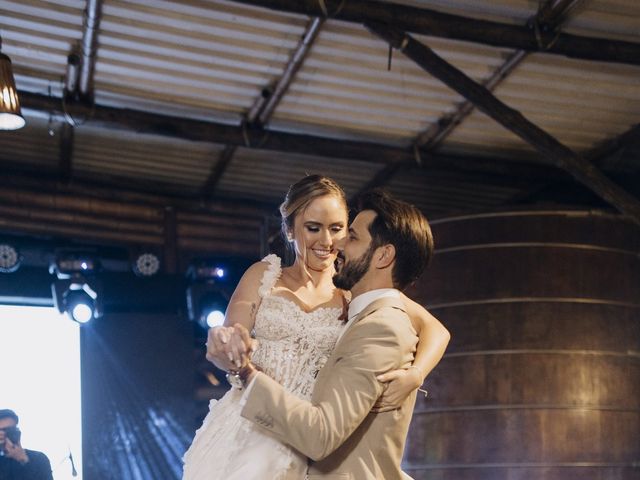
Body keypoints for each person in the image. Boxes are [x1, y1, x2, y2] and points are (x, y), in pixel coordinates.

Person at [182, 176, 449, 479]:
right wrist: (227, 341)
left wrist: (415, 374)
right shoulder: (264, 275)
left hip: (306, 430)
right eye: (314, 228)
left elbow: (436, 330)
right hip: (252, 419)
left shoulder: (355, 289)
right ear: (290, 229)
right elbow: (234, 332)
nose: (327, 241)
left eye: (337, 229)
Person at [0, 409, 53, 480]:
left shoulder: (38, 458)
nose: (5, 434)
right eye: (2, 431)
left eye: (10, 430)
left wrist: (24, 461)